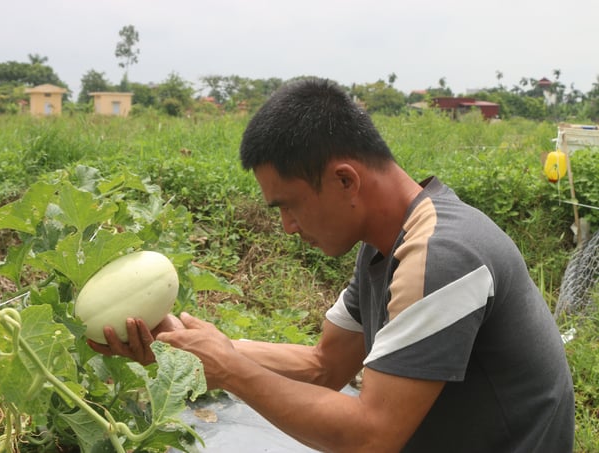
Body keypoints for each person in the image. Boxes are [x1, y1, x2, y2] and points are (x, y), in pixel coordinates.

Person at [89, 78, 575, 452]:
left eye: (288, 205)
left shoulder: (445, 254)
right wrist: (203, 349)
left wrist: (231, 371)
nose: (287, 226)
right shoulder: (385, 245)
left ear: (346, 180)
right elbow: (324, 366)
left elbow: (372, 438)